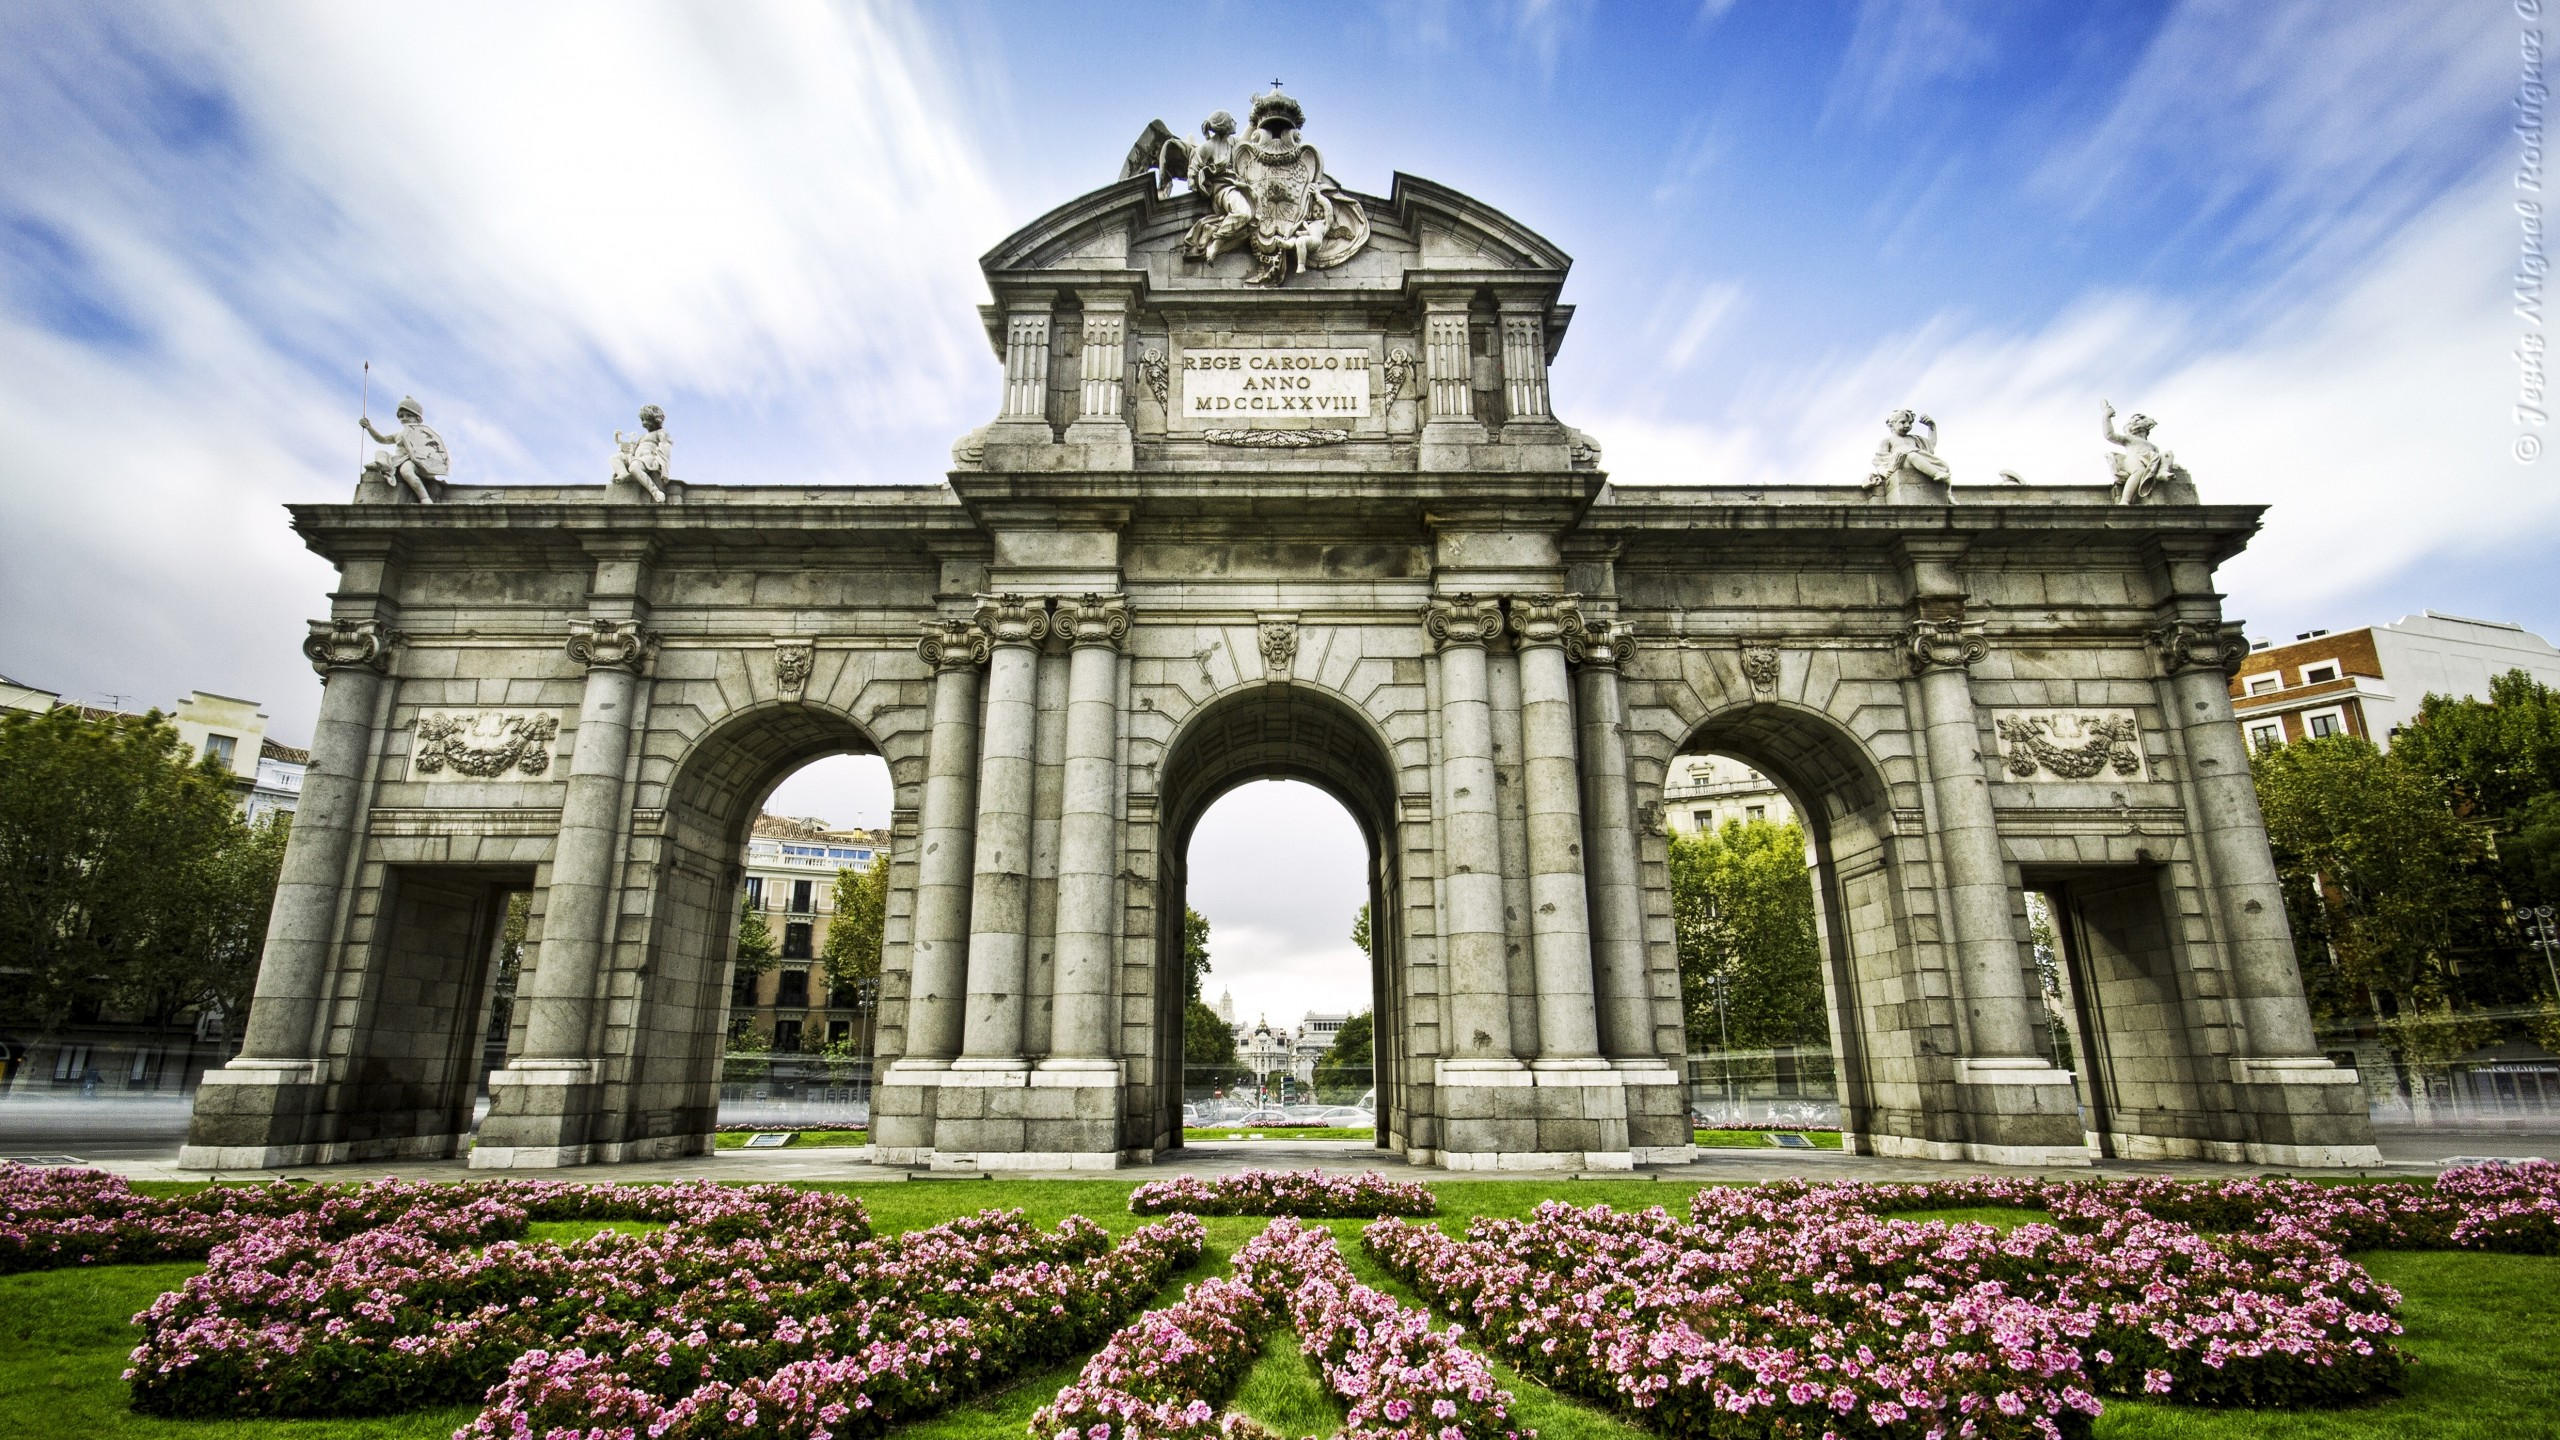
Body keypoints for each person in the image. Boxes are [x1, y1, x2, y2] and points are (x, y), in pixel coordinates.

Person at [359, 395, 449, 503]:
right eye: (401, 416)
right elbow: (382, 439)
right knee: (380, 452)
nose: (404, 418)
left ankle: (425, 498)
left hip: (412, 460)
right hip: (398, 458)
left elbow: (431, 449)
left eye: (408, 415)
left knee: (406, 472)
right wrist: (369, 428)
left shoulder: (423, 433)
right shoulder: (399, 434)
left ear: (418, 418)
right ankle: (384, 464)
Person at [1866, 409, 1950, 494]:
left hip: (1919, 461)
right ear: (1892, 425)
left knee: (1943, 465)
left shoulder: (1914, 438)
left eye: (1910, 423)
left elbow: (1931, 445)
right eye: (1903, 422)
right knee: (1912, 456)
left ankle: (1948, 492)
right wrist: (1884, 471)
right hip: (1902, 464)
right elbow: (1879, 461)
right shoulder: (1887, 441)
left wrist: (1932, 427)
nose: (1907, 425)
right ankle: (1936, 474)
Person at [612, 404, 673, 501]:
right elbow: (632, 449)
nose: (644, 423)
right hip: (636, 458)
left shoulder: (660, 432)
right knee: (615, 457)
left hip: (649, 458)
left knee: (634, 467)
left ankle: (655, 492)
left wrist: (662, 466)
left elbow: (665, 447)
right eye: (642, 420)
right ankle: (623, 473)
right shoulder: (642, 437)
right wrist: (620, 442)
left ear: (655, 420)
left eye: (646, 420)